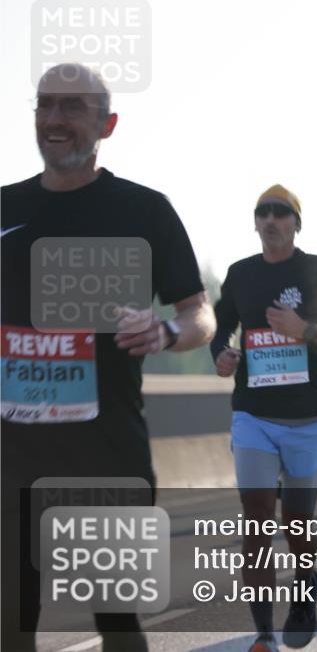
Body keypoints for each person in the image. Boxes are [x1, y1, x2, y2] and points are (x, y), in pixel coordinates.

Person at [1, 63, 215, 652]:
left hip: (106, 456)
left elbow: (200, 314)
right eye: (44, 105)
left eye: (71, 107)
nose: (53, 119)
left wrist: (166, 331)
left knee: (116, 622)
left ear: (108, 124)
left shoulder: (142, 210)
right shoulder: (4, 207)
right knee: (10, 624)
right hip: (12, 460)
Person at [211, 184, 317, 652]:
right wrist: (220, 353)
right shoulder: (240, 275)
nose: (272, 220)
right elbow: (220, 328)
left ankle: (305, 583)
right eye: (264, 213)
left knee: (297, 524)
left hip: (306, 417)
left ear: (297, 223)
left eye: (282, 212)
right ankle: (263, 634)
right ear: (255, 223)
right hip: (253, 415)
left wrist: (308, 330)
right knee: (256, 519)